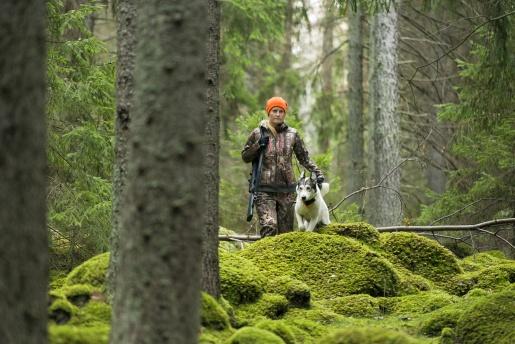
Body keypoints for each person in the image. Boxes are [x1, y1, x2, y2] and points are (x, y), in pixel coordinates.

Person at [242, 96, 325, 237]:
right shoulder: (257, 133)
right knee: (270, 227)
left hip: (287, 192)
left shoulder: (293, 134)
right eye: (274, 110)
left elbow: (304, 159)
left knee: (285, 235)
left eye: (281, 111)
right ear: (268, 112)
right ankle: (266, 259)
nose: (278, 114)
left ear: (284, 114)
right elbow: (245, 156)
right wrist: (258, 146)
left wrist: (318, 173)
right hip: (263, 191)